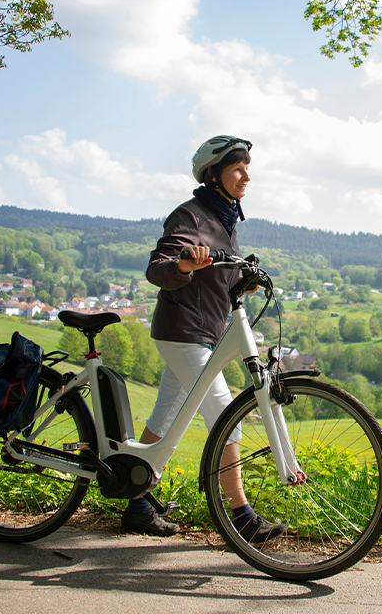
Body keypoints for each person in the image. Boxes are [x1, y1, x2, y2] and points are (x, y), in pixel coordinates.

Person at [120, 135, 287, 542]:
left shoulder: (224, 219)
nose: (247, 176)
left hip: (204, 334)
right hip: (183, 331)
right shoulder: (190, 216)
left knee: (165, 418)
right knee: (225, 415)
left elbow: (218, 273)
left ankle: (136, 501)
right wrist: (182, 263)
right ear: (214, 175)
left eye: (248, 167)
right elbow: (159, 267)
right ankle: (240, 515)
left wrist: (241, 282)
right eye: (238, 168)